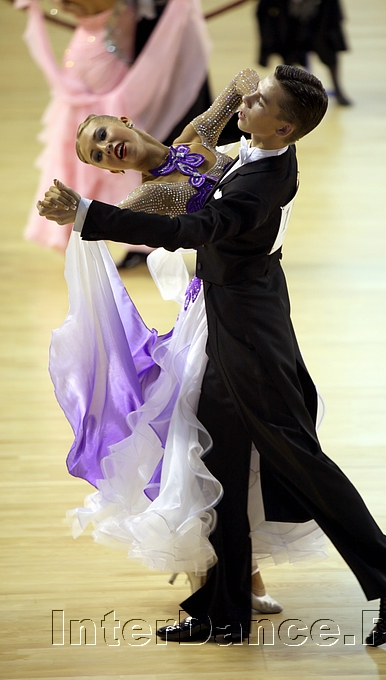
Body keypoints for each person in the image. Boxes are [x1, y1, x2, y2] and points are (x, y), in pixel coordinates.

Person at [38, 64, 386, 646]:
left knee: (297, 458)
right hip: (226, 317)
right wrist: (246, 92)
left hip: (249, 330)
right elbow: (232, 100)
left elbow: (195, 228)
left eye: (259, 102)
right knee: (217, 465)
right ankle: (223, 612)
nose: (245, 105)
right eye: (97, 153)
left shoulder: (256, 179)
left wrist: (88, 215)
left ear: (283, 128)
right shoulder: (258, 153)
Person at [43, 69, 327, 615]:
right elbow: (132, 224)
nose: (105, 148)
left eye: (102, 135)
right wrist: (80, 213)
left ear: (123, 121)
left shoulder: (198, 134)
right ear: (112, 170)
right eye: (98, 156)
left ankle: (238, 575)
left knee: (238, 441)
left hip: (248, 296)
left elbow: (242, 80)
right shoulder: (147, 195)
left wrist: (251, 103)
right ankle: (220, 577)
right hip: (208, 311)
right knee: (196, 441)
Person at [17, 0, 211, 259]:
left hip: (105, 101)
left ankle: (141, 245)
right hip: (75, 111)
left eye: (68, 2)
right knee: (83, 170)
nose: (64, 7)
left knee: (123, 175)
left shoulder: (122, 12)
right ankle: (94, 239)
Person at [256, 0, 352, 105]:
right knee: (288, 57)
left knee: (329, 53)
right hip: (291, 24)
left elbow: (334, 10)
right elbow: (263, 10)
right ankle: (287, 91)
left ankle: (337, 88)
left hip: (319, 22)